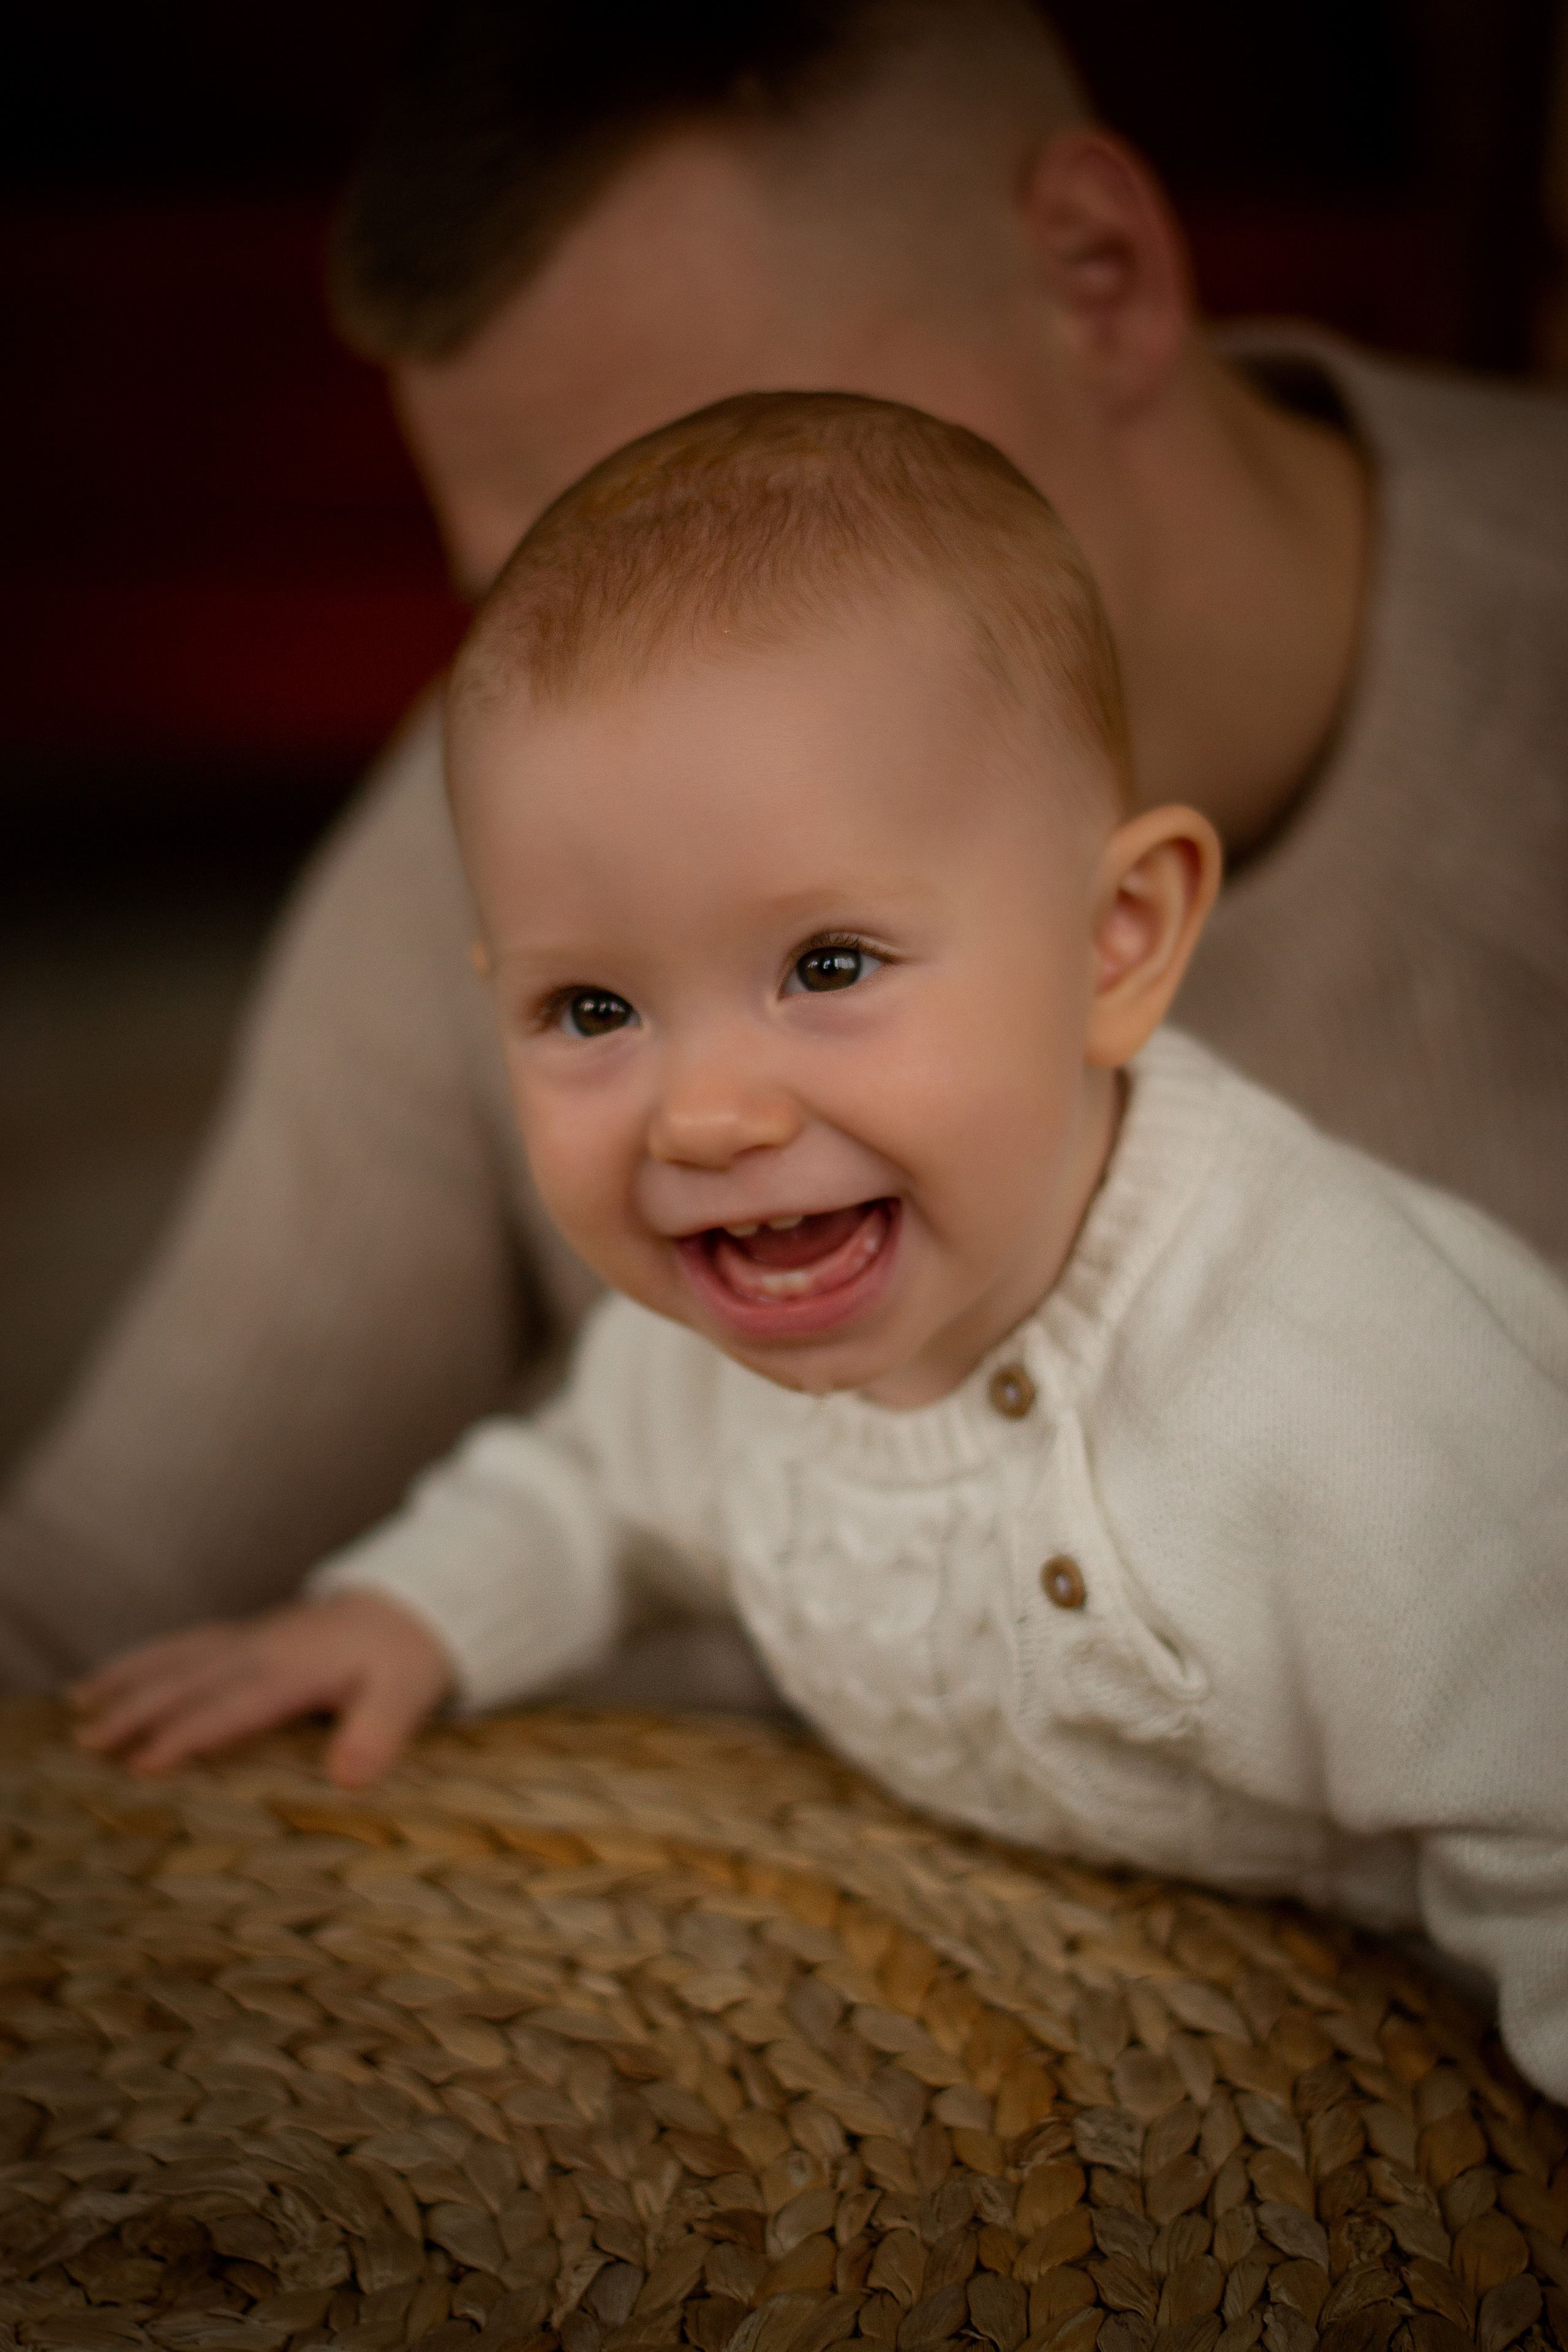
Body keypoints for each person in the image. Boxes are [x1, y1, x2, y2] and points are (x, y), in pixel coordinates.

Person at [4, 0, 1567, 1686]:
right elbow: (98, 1597)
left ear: (1096, 274)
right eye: (547, 583)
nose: (645, 674)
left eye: (761, 484)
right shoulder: (527, 818)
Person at [73, 395, 1568, 2101]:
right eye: (594, 1007)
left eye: (832, 967)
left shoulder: (1344, 1402)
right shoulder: (734, 1330)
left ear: (1113, 943)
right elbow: (595, 1487)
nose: (705, 1114)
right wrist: (417, 1610)